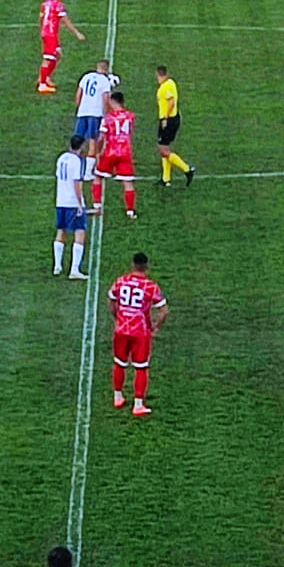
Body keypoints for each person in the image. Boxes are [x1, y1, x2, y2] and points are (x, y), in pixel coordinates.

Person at [108, 251, 168, 416]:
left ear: (133, 265)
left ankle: (118, 397)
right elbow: (163, 311)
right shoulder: (150, 286)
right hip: (140, 332)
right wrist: (156, 327)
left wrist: (117, 318)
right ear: (147, 267)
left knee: (119, 363)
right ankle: (138, 404)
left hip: (122, 329)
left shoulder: (120, 282)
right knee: (141, 367)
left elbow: (111, 301)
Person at [93, 91, 138, 220]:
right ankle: (130, 211)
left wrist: (98, 151)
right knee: (127, 182)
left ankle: (97, 205)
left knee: (98, 176)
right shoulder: (131, 116)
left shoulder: (108, 118)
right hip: (125, 152)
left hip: (111, 151)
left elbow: (101, 137)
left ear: (112, 102)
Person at [54, 135, 91, 280]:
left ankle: (57, 265)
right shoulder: (77, 161)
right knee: (80, 232)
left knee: (61, 232)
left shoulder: (62, 158)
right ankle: (74, 269)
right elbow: (77, 183)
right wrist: (80, 202)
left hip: (60, 200)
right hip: (72, 202)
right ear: (81, 146)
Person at [38, 0, 87, 95]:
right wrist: (77, 33)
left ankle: (46, 78)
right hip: (50, 34)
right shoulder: (58, 5)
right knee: (49, 58)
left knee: (58, 55)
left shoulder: (45, 4)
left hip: (47, 33)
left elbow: (42, 18)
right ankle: (42, 84)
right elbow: (65, 21)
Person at [155, 65, 193, 187]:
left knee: (163, 150)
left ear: (160, 75)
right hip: (169, 119)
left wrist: (165, 118)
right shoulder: (169, 83)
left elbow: (171, 102)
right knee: (165, 148)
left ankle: (187, 169)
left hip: (169, 120)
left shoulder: (167, 86)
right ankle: (166, 179)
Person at [74, 58, 119, 162]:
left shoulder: (86, 76)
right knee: (92, 140)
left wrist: (79, 107)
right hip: (95, 113)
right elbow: (106, 99)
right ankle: (89, 169)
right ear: (107, 69)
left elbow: (78, 94)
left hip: (83, 112)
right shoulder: (104, 80)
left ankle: (75, 162)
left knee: (78, 139)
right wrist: (107, 114)